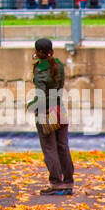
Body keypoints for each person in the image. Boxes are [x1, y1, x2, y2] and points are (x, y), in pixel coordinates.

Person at [28, 37, 74, 196]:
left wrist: (31, 106)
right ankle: (68, 182)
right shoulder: (59, 65)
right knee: (62, 146)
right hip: (60, 109)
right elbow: (58, 89)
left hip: (46, 112)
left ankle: (56, 183)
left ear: (39, 52)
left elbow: (41, 97)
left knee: (49, 148)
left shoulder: (40, 69)